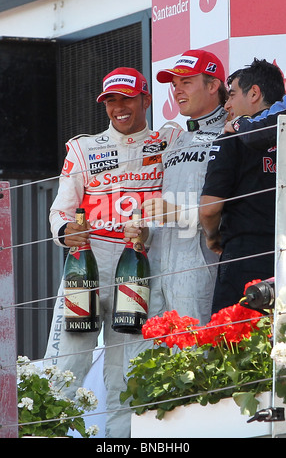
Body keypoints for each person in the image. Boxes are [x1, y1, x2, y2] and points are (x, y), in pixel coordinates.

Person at [44, 67, 180, 438]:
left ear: (146, 99)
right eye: (111, 101)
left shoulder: (170, 141)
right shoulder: (83, 147)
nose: (119, 107)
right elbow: (60, 209)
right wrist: (64, 231)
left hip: (138, 263)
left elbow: (184, 195)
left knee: (127, 375)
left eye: (127, 98)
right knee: (63, 369)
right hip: (87, 266)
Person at [124, 49, 228, 326]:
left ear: (213, 85)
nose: (177, 91)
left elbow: (240, 207)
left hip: (201, 267)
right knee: (158, 363)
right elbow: (169, 208)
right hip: (159, 268)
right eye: (174, 85)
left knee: (198, 358)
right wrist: (146, 232)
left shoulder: (231, 134)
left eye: (186, 82)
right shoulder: (177, 141)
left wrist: (179, 213)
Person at [199, 58, 285, 314]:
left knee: (233, 347)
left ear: (255, 93)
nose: (227, 105)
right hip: (282, 253)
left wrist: (213, 237)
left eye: (232, 95)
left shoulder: (231, 135)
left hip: (245, 257)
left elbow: (209, 209)